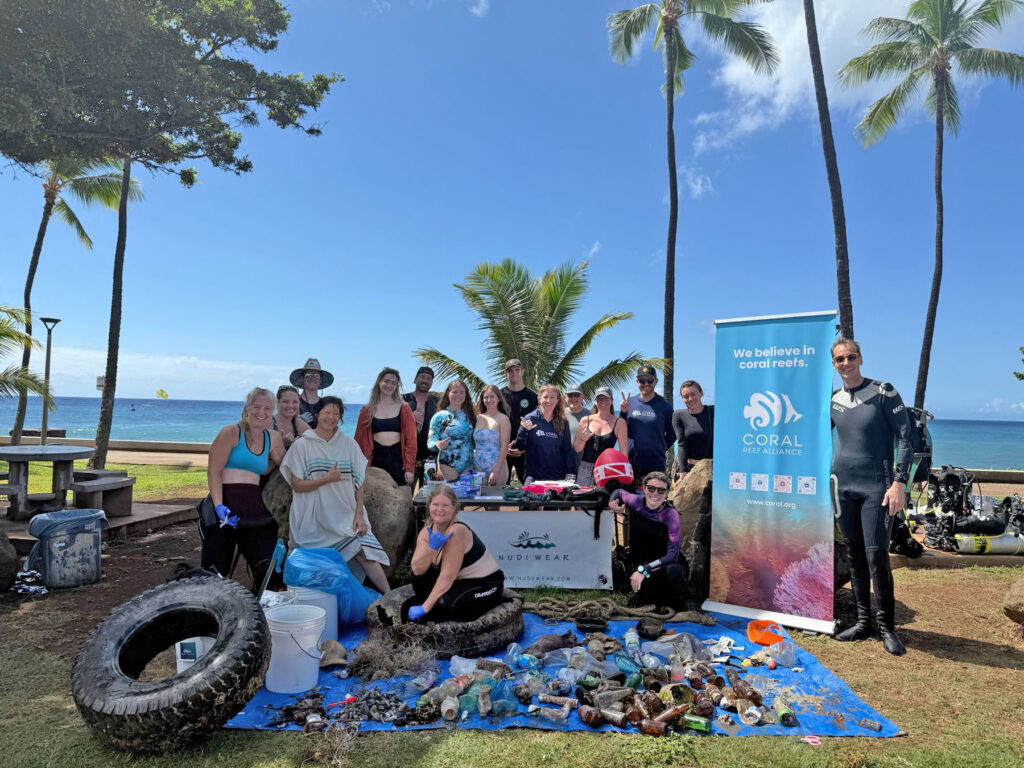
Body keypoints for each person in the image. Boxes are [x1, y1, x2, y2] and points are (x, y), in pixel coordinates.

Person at [830, 338, 913, 656]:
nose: (846, 363)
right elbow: (811, 439)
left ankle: (887, 628)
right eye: (840, 359)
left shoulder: (883, 391)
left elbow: (906, 438)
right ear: (834, 365)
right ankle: (864, 624)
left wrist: (899, 483)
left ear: (860, 358)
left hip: (877, 488)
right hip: (841, 486)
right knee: (854, 556)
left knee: (877, 557)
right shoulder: (833, 400)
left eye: (851, 357)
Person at [280, 396, 391, 594]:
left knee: (365, 553)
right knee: (318, 567)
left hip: (345, 512)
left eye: (336, 414)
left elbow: (359, 483)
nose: (331, 417)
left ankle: (389, 596)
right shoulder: (302, 445)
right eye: (326, 412)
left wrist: (359, 513)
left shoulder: (348, 444)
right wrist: (327, 479)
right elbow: (297, 486)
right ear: (317, 414)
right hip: (314, 517)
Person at [203, 387, 286, 591]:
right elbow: (214, 472)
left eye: (267, 408)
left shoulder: (273, 437)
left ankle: (261, 610)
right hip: (224, 502)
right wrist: (219, 506)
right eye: (257, 407)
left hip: (252, 506)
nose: (261, 413)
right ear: (247, 408)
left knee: (269, 568)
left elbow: (279, 465)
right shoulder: (230, 433)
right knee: (216, 572)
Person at [408, 484, 504, 622]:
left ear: (454, 508)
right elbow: (417, 569)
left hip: (485, 584)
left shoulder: (456, 531)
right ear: (429, 506)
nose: (439, 510)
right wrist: (431, 548)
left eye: (445, 505)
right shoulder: (426, 532)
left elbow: (448, 577)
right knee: (418, 579)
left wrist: (425, 607)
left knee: (445, 605)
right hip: (459, 582)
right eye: (435, 504)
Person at [608, 471, 689, 609]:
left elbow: (673, 555)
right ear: (644, 489)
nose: (655, 494)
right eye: (651, 488)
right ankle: (651, 595)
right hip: (644, 564)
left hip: (664, 564)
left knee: (673, 573)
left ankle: (675, 598)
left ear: (666, 493)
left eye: (661, 490)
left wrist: (643, 569)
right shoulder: (635, 501)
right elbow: (619, 492)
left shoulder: (670, 515)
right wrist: (612, 502)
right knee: (644, 585)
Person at [354, 367, 417, 499]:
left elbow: (411, 441)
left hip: (397, 458)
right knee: (376, 499)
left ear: (397, 386)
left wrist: (410, 468)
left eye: (393, 383)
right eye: (386, 381)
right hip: (376, 457)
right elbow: (358, 441)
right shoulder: (367, 410)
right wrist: (359, 468)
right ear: (379, 382)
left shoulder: (404, 409)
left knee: (405, 499)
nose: (389, 385)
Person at [619, 364, 675, 479]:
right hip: (631, 463)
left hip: (656, 464)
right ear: (637, 381)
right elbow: (621, 430)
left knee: (655, 496)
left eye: (650, 380)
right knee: (630, 497)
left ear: (656, 381)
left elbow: (673, 434)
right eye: (642, 380)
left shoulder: (665, 406)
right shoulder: (630, 403)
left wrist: (660, 447)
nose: (646, 384)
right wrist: (623, 413)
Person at [515, 383, 576, 482]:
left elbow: (567, 450)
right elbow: (520, 446)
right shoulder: (530, 419)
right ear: (539, 399)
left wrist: (571, 472)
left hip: (558, 478)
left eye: (552, 397)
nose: (548, 400)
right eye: (545, 397)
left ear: (557, 400)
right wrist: (523, 430)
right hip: (533, 477)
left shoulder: (563, 422)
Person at [575, 386, 628, 487]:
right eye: (599, 399)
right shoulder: (585, 420)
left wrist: (623, 474)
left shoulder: (620, 423)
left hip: (607, 468)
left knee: (604, 500)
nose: (603, 402)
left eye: (606, 398)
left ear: (612, 400)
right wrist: (583, 439)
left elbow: (624, 452)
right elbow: (577, 448)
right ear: (595, 401)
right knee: (583, 500)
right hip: (585, 468)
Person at [427, 380, 476, 481]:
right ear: (448, 393)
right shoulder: (439, 416)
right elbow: (430, 441)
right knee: (453, 495)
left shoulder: (471, 416)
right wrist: (438, 443)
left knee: (467, 496)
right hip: (447, 465)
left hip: (469, 465)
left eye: (462, 392)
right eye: (454, 392)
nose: (458, 395)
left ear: (466, 395)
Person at [501, 358, 538, 484]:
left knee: (529, 494)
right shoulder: (499, 396)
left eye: (517, 370)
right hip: (503, 450)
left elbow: (537, 426)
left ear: (522, 371)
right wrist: (504, 447)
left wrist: (524, 448)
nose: (514, 373)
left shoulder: (533, 397)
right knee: (497, 493)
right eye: (510, 371)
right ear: (505, 373)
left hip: (526, 452)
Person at [403, 366, 439, 487]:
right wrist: (409, 418)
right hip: (407, 458)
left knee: (428, 497)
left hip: (430, 459)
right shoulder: (403, 400)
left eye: (429, 379)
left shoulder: (437, 403)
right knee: (406, 496)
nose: (425, 381)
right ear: (415, 379)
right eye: (422, 377)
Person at [672, 380, 714, 479]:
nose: (690, 399)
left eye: (693, 394)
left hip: (712, 469)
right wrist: (683, 471)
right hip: (689, 469)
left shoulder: (713, 411)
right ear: (682, 398)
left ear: (701, 393)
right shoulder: (678, 415)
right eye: (686, 396)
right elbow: (682, 443)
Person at [474, 384, 511, 487]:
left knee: (492, 502)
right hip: (478, 470)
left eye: (492, 396)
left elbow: (504, 447)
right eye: (486, 397)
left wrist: (495, 471)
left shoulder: (503, 418)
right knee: (477, 500)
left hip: (497, 470)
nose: (489, 400)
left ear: (498, 399)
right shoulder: (478, 418)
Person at [290, 357, 333, 429]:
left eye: (317, 376)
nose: (312, 378)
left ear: (321, 380)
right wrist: (296, 421)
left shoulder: (325, 405)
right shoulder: (293, 403)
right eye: (308, 376)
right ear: (302, 379)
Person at [273, 385, 310, 450]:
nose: (290, 405)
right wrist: (282, 444)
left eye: (295, 402)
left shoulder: (300, 425)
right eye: (286, 401)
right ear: (277, 402)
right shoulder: (267, 424)